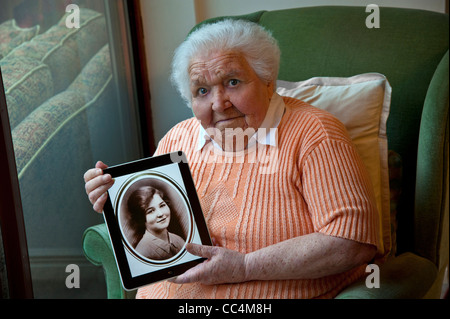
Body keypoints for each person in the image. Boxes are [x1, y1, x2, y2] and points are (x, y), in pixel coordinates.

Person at [84, 19, 379, 299]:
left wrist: (245, 266)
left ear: (267, 81)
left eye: (233, 81)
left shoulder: (314, 134)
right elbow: (154, 228)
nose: (219, 103)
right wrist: (115, 198)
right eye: (202, 90)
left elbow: (352, 243)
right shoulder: (178, 138)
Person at [127, 186, 185, 260]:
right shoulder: (142, 253)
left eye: (162, 205)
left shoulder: (179, 240)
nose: (160, 214)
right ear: (140, 218)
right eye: (150, 211)